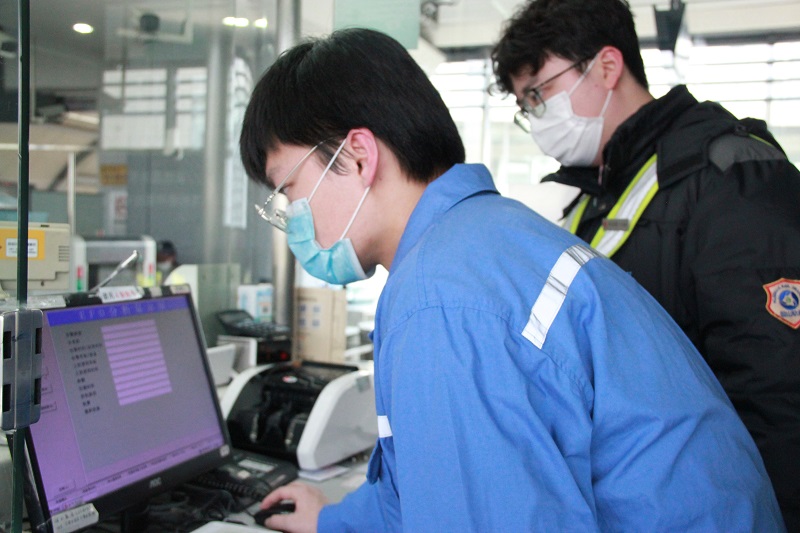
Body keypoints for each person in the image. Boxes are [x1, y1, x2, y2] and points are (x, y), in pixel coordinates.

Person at [239, 28, 784, 532]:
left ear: (358, 156)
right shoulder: (485, 238)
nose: (291, 217)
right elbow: (436, 490)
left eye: (288, 190)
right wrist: (335, 521)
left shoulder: (442, 301)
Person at [491, 1, 800, 529]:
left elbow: (779, 393)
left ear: (607, 67)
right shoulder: (592, 200)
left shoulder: (728, 176)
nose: (536, 117)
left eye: (539, 93)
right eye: (525, 106)